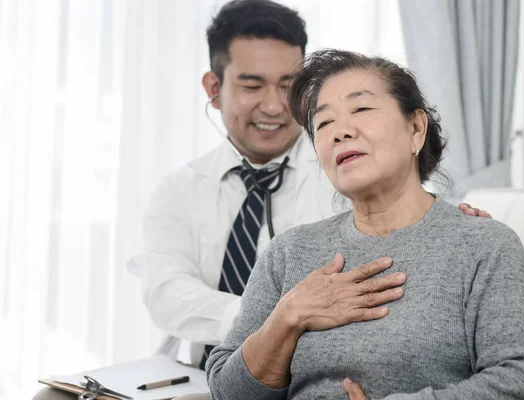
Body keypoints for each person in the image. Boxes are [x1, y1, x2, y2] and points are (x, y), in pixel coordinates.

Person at [33, 1, 488, 399]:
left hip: (305, 372)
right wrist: (278, 313)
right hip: (195, 371)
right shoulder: (179, 190)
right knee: (50, 397)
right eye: (252, 86)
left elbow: (402, 220)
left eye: (288, 85)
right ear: (214, 89)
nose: (274, 106)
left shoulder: (345, 167)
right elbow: (167, 293)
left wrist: (453, 218)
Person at [204, 49, 524, 399]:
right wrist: (287, 317)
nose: (340, 132)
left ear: (416, 129)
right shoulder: (288, 252)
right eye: (324, 123)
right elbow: (225, 390)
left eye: (361, 109)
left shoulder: (483, 245)